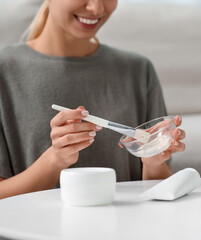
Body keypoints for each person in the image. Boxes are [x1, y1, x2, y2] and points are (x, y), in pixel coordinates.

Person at [0, 0, 186, 199]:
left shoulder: (138, 70)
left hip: (126, 227)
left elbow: (159, 188)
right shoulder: (5, 71)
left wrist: (153, 163)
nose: (97, 8)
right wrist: (55, 159)